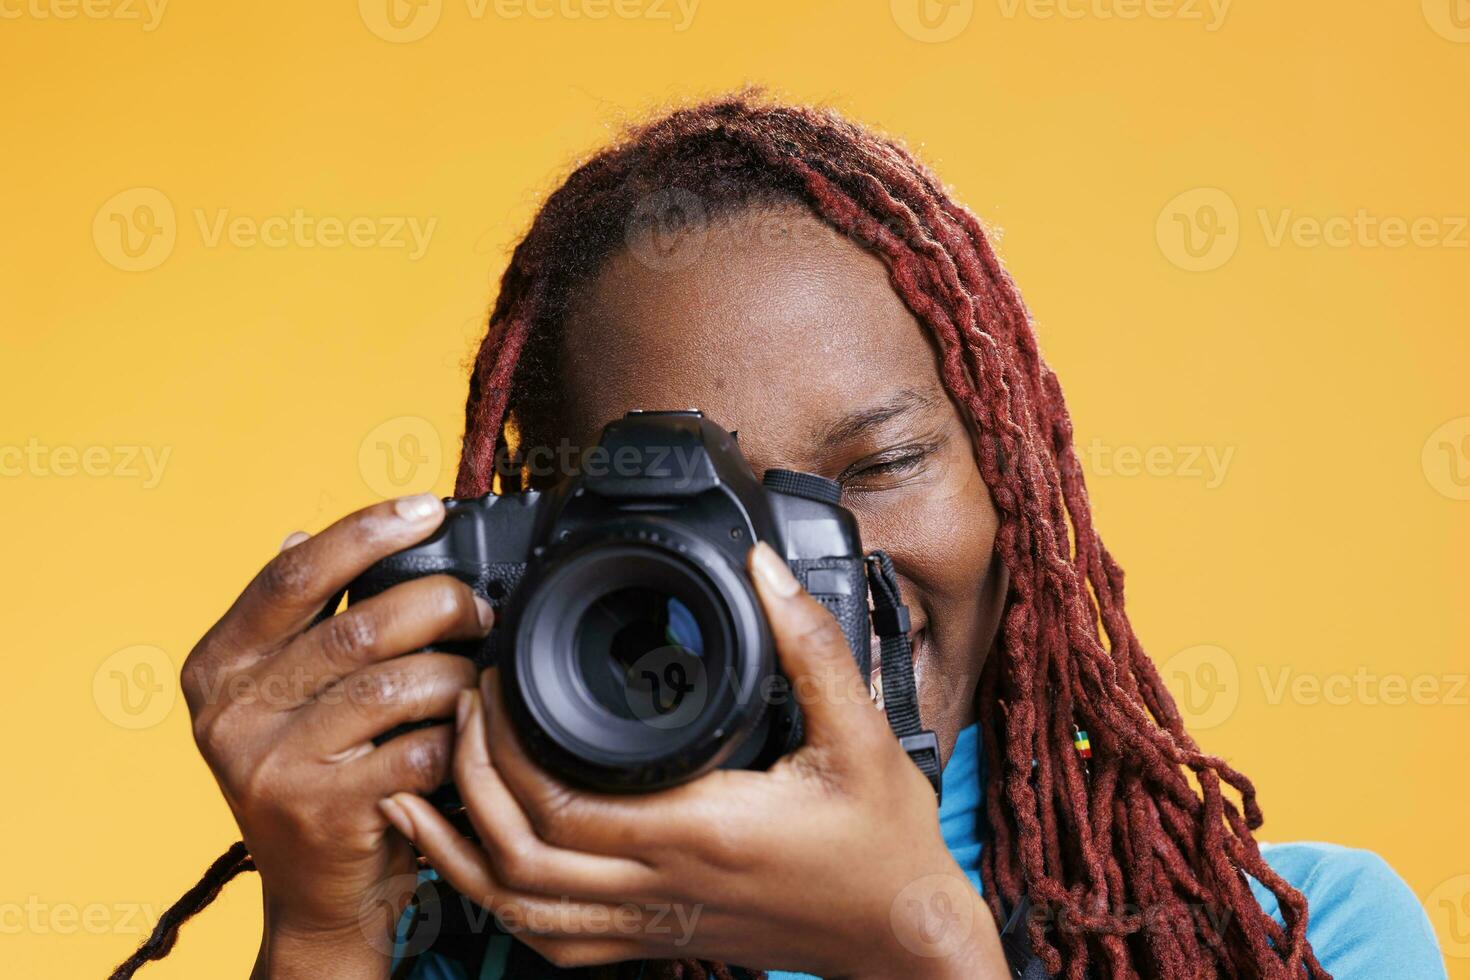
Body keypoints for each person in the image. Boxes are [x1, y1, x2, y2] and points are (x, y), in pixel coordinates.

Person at [142, 96, 1445, 980]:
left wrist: (926, 947)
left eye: (874, 465)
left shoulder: (1288, 936)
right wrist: (318, 933)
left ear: (1014, 478)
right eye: (688, 515)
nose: (782, 583)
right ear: (536, 544)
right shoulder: (441, 938)